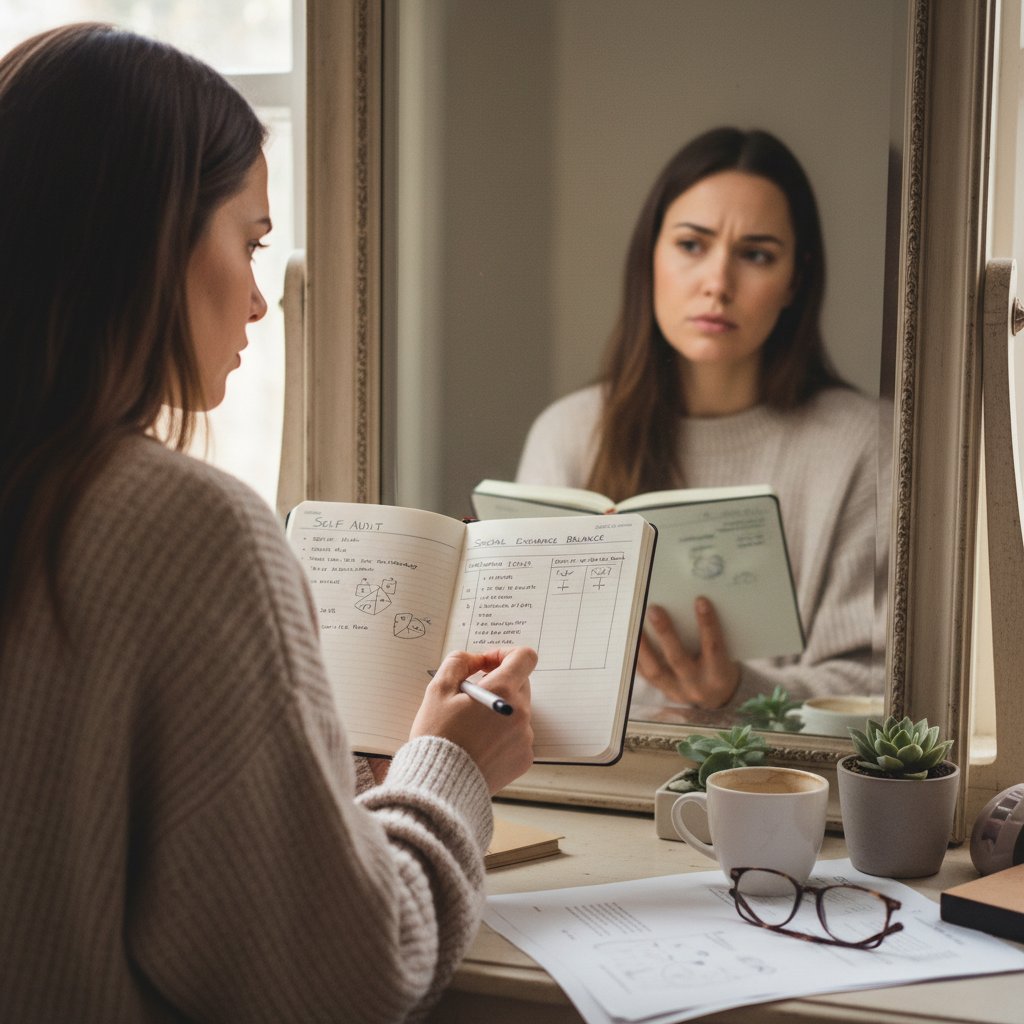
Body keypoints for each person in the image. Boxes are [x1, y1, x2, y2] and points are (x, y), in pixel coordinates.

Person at [0, 23, 535, 1023]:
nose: (256, 300)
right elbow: (344, 979)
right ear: (146, 235)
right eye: (247, 242)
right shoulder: (180, 528)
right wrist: (451, 763)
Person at [516, 126, 885, 713]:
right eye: (692, 245)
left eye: (756, 255)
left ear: (795, 280)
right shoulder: (568, 434)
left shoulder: (866, 445)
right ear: (650, 256)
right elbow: (531, 668)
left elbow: (881, 685)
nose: (718, 283)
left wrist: (740, 691)